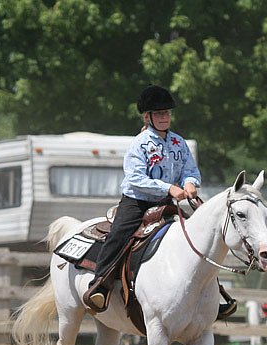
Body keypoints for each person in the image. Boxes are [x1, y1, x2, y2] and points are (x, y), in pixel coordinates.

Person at [83, 85, 200, 312]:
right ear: (147, 116)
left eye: (166, 113)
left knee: (197, 237)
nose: (164, 117)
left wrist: (189, 182)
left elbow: (190, 170)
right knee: (118, 235)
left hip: (167, 203)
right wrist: (169, 188)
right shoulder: (140, 143)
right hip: (137, 202)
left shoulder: (179, 143)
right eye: (159, 113)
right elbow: (135, 178)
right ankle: (99, 285)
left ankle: (213, 293)